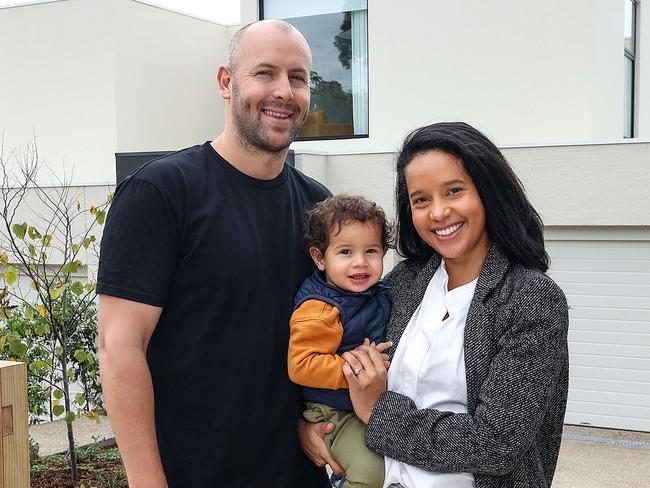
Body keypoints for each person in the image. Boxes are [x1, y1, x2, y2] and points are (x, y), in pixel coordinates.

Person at [97, 20, 331, 487]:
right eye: (265, 73)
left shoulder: (318, 206)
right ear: (227, 82)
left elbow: (323, 332)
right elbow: (120, 348)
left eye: (298, 78)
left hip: (297, 475)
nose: (284, 91)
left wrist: (318, 420)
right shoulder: (161, 192)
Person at [302, 122, 569, 488]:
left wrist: (378, 412)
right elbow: (334, 357)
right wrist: (310, 425)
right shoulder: (402, 283)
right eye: (421, 199)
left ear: (487, 192)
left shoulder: (529, 299)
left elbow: (497, 443)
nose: (439, 212)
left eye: (454, 191)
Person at [288, 194, 393, 488]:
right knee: (371, 470)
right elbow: (301, 364)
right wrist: (356, 371)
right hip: (334, 412)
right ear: (319, 257)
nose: (360, 263)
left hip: (367, 405)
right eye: (345, 252)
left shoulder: (377, 292)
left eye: (371, 251)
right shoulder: (320, 308)